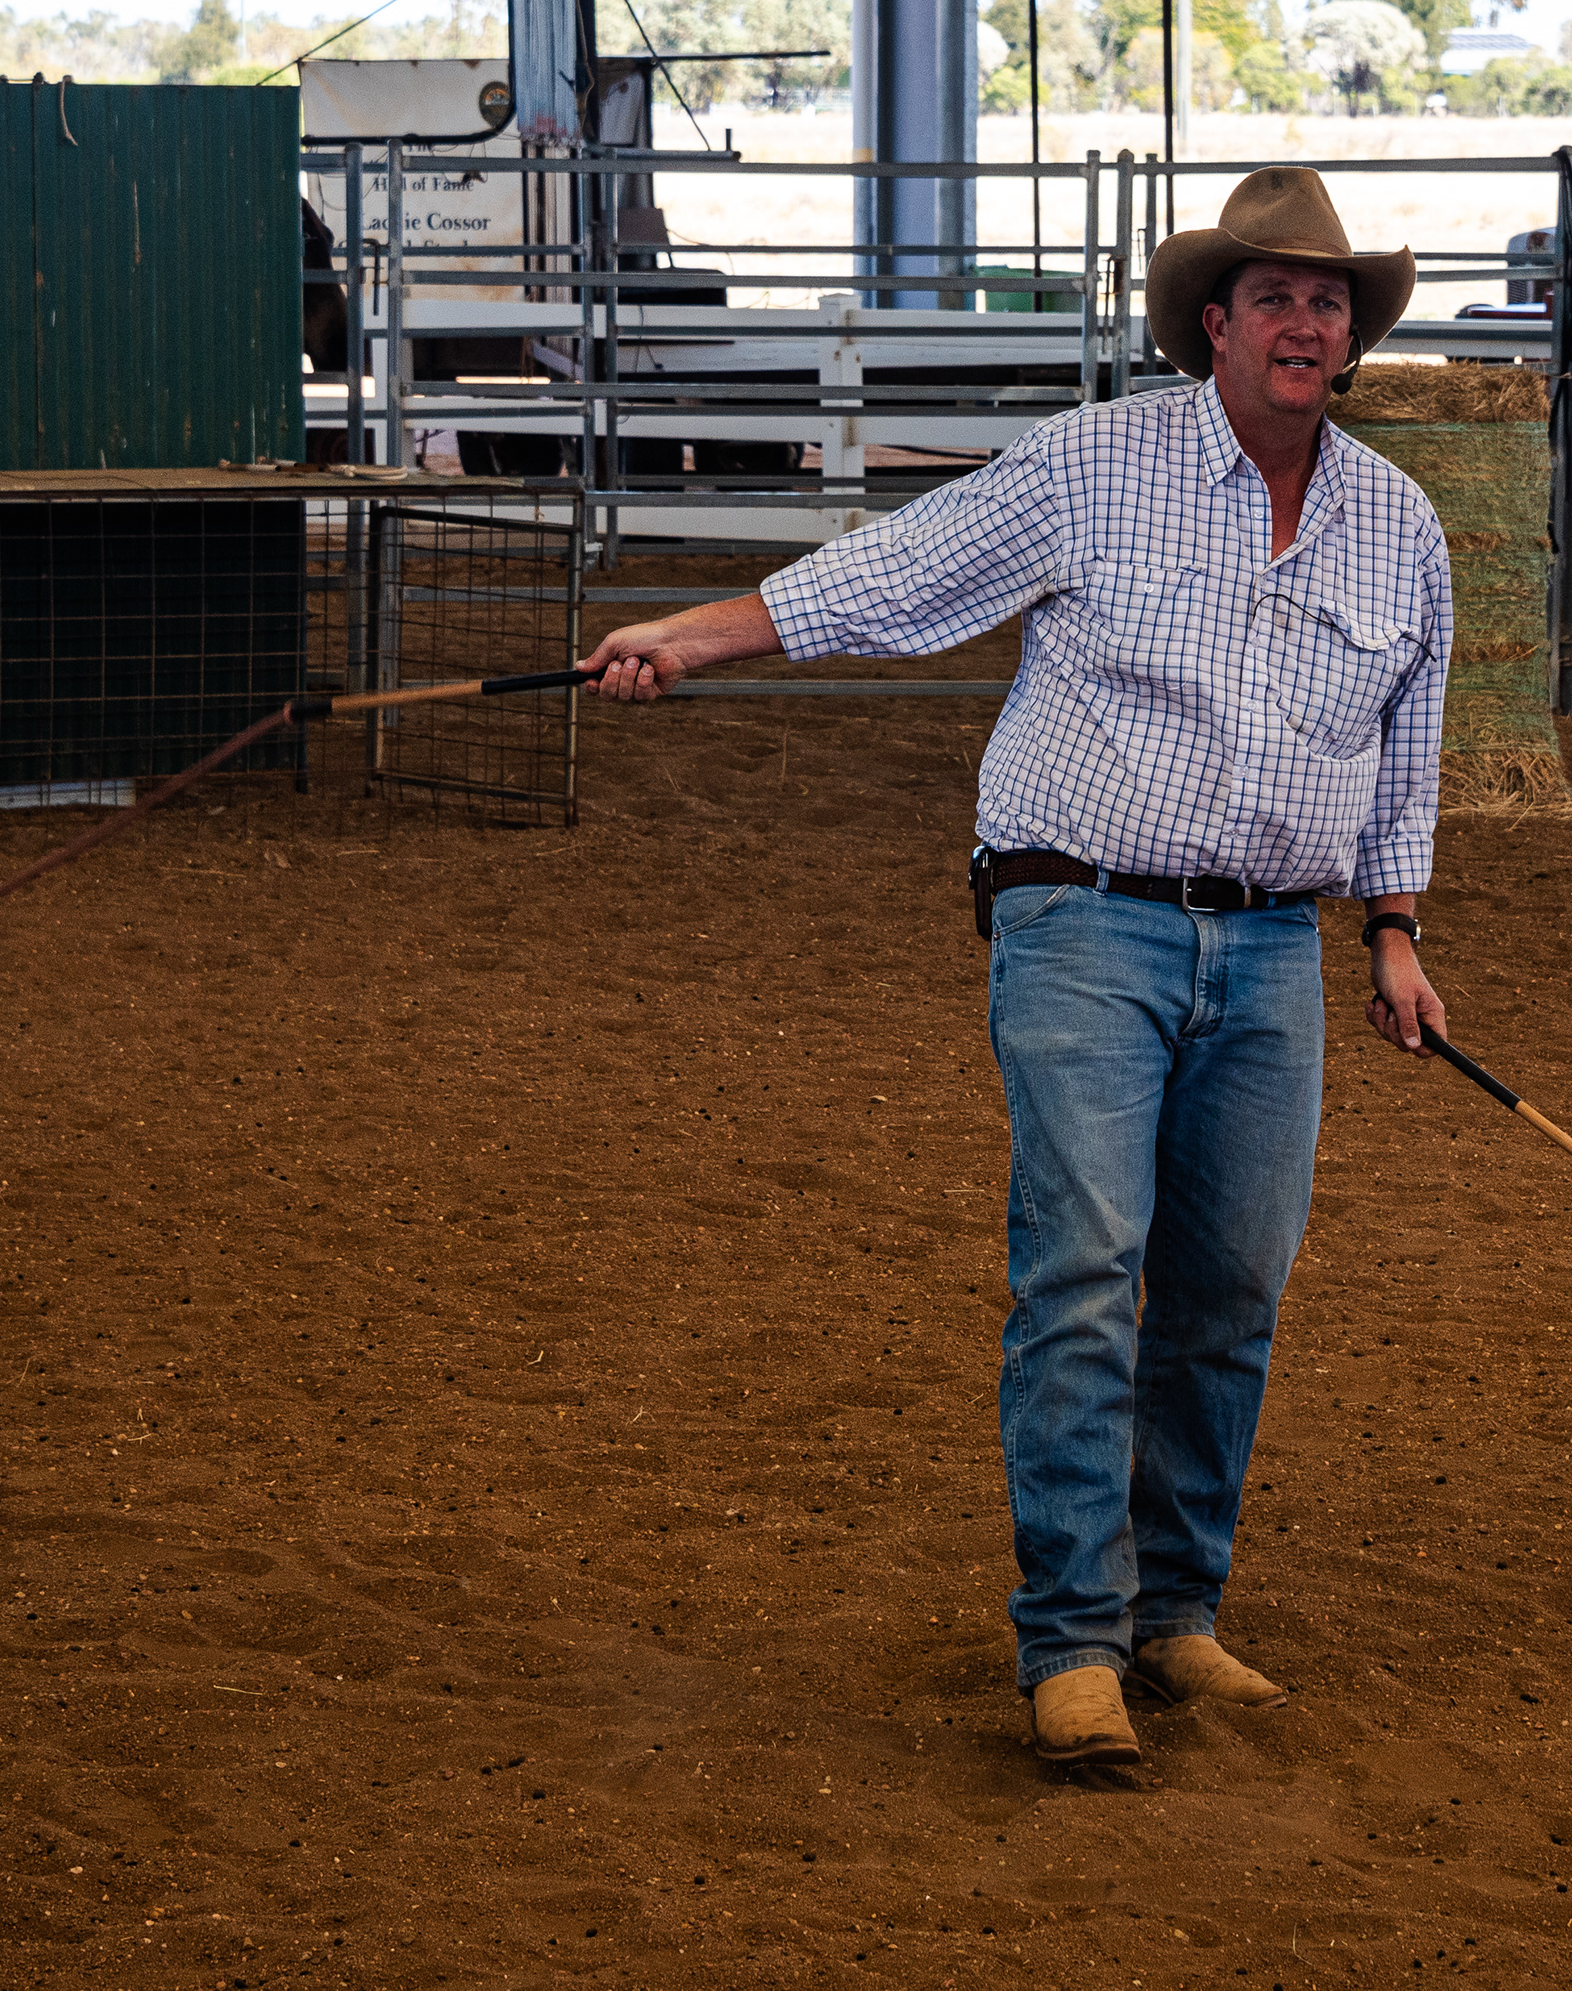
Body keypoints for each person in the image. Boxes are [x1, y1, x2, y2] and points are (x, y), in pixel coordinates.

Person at [579, 165, 1455, 1770]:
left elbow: (1409, 743)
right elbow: (903, 572)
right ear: (1218, 321)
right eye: (1277, 295)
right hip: (1083, 915)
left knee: (1229, 1290)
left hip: (1273, 945)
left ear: (1352, 334)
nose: (1307, 322)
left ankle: (1174, 1612)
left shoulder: (1398, 526)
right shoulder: (1101, 462)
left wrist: (1394, 929)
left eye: (1330, 301)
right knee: (1086, 1270)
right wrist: (699, 633)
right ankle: (1073, 1638)